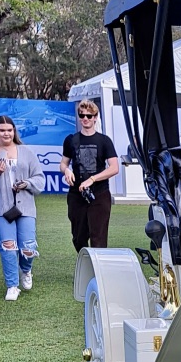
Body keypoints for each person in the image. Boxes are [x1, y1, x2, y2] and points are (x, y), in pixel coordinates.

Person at [60, 100, 119, 252]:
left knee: (98, 237)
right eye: (82, 115)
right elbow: (63, 163)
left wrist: (92, 179)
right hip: (76, 194)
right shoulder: (71, 140)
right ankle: (85, 268)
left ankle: (98, 273)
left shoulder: (104, 141)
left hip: (99, 194)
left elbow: (114, 168)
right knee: (78, 237)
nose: (85, 118)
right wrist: (66, 171)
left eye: (89, 115)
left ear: (95, 117)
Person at [0, 116, 44, 300]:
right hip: (2, 209)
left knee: (27, 246)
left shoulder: (26, 152)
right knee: (8, 246)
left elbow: (40, 179)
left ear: (14, 131)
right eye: (2, 130)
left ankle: (26, 270)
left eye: (9, 130)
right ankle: (12, 285)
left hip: (25, 207)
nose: (6, 133)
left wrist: (26, 183)